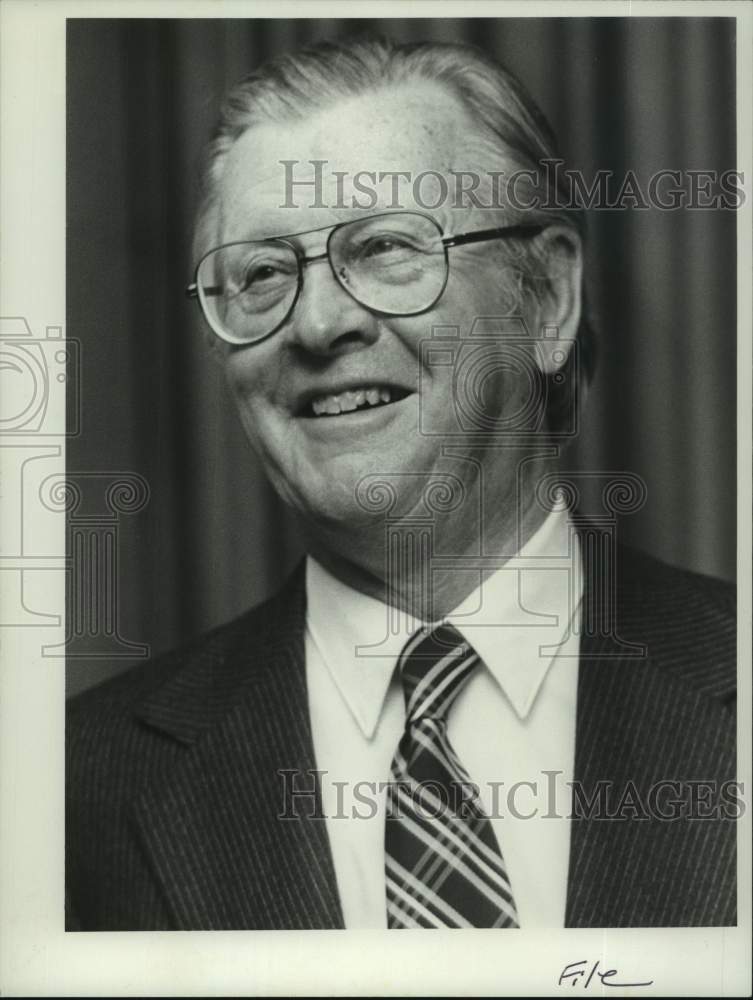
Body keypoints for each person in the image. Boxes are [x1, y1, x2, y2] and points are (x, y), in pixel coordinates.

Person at [66, 36, 737, 931]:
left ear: (545, 300)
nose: (317, 322)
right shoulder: (71, 791)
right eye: (262, 274)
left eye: (385, 247)